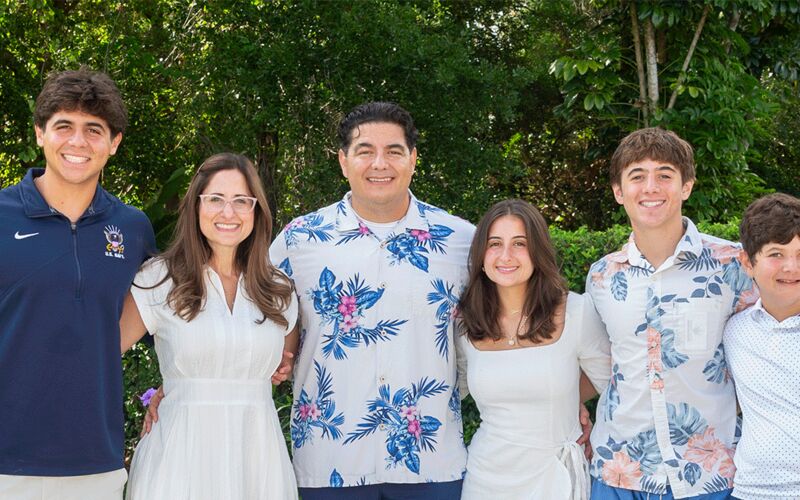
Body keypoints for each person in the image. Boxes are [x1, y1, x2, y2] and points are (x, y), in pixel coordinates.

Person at [268, 102, 475, 499]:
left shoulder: (461, 241)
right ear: (343, 161)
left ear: (413, 160)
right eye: (365, 151)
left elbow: (497, 332)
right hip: (330, 464)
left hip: (430, 462)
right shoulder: (300, 240)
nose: (380, 163)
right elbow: (246, 321)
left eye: (394, 151)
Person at [0, 69, 155, 499]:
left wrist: (175, 385)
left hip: (95, 463)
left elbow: (172, 312)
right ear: (39, 134)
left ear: (114, 143)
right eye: (63, 126)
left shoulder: (133, 228)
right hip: (5, 461)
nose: (78, 142)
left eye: (94, 130)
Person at [585, 128, 756, 499]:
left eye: (665, 175)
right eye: (637, 176)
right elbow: (598, 363)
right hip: (618, 472)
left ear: (687, 186)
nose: (651, 187)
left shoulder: (734, 265)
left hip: (709, 475)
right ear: (618, 191)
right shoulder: (602, 276)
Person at [119, 153, 299, 499]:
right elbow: (99, 356)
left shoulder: (279, 289)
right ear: (195, 206)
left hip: (257, 457)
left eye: (241, 201)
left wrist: (286, 364)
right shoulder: (160, 279)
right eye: (215, 199)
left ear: (256, 210)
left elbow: (285, 358)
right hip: (179, 457)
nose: (228, 212)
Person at [456, 199, 611, 500]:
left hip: (554, 478)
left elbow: (615, 386)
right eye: (495, 243)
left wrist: (569, 400)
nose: (506, 256)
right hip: (484, 479)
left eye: (519, 244)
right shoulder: (466, 323)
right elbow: (451, 394)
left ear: (537, 250)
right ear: (481, 254)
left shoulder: (577, 311)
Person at [723, 193, 800, 500]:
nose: (791, 267)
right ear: (748, 263)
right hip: (750, 492)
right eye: (776, 254)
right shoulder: (735, 331)